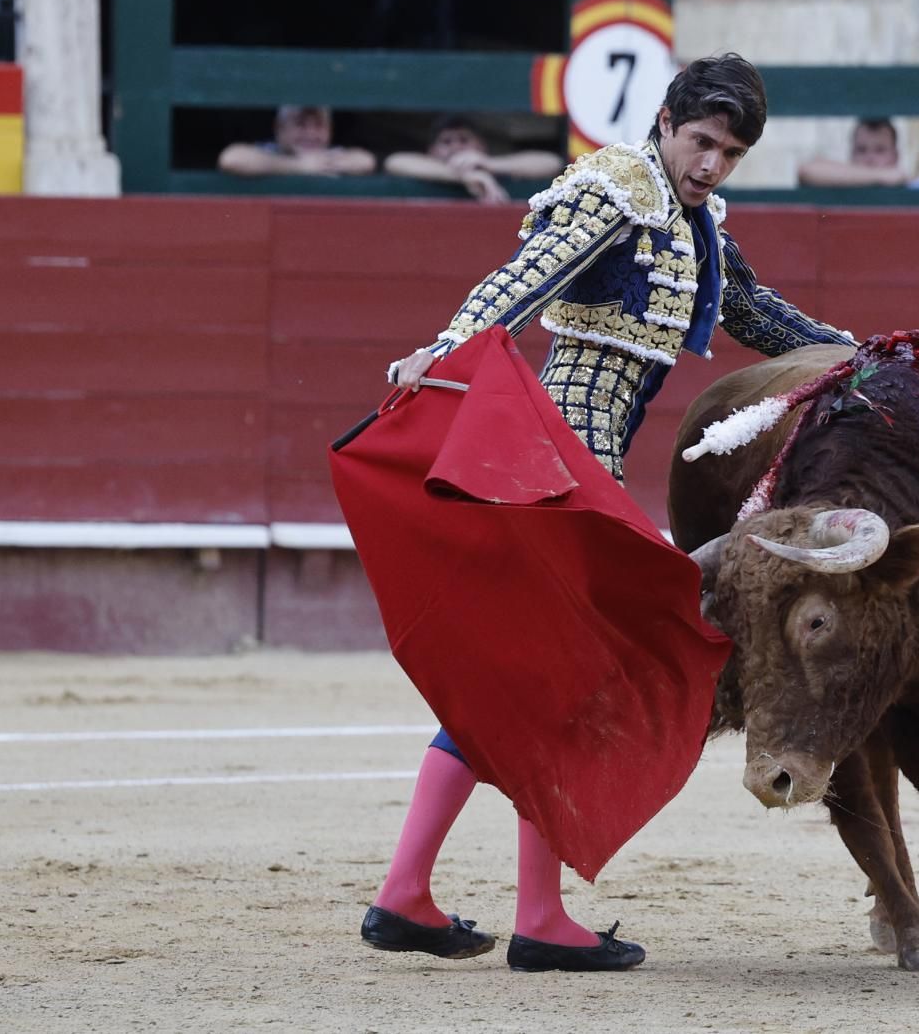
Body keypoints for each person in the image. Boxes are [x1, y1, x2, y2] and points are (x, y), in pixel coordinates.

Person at [362, 54, 858, 973]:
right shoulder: (619, 185)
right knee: (566, 685)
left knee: (531, 685)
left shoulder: (694, 217)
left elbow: (753, 311)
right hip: (558, 472)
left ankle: (410, 895)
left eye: (731, 152)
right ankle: (535, 917)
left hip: (584, 469)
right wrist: (443, 349)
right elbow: (528, 276)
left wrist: (859, 356)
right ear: (666, 122)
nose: (711, 163)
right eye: (702, 141)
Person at [382, 114, 564, 203]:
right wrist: (463, 176)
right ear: (432, 151)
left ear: (481, 146)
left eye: (464, 139)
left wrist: (488, 164)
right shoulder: (424, 170)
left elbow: (552, 163)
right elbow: (394, 162)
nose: (456, 147)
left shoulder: (495, 168)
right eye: (446, 141)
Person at [216, 105, 376, 177]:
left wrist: (324, 164)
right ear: (280, 128)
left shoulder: (329, 156)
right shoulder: (269, 151)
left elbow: (365, 161)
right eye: (300, 124)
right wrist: (299, 166)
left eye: (319, 126)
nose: (311, 134)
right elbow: (231, 159)